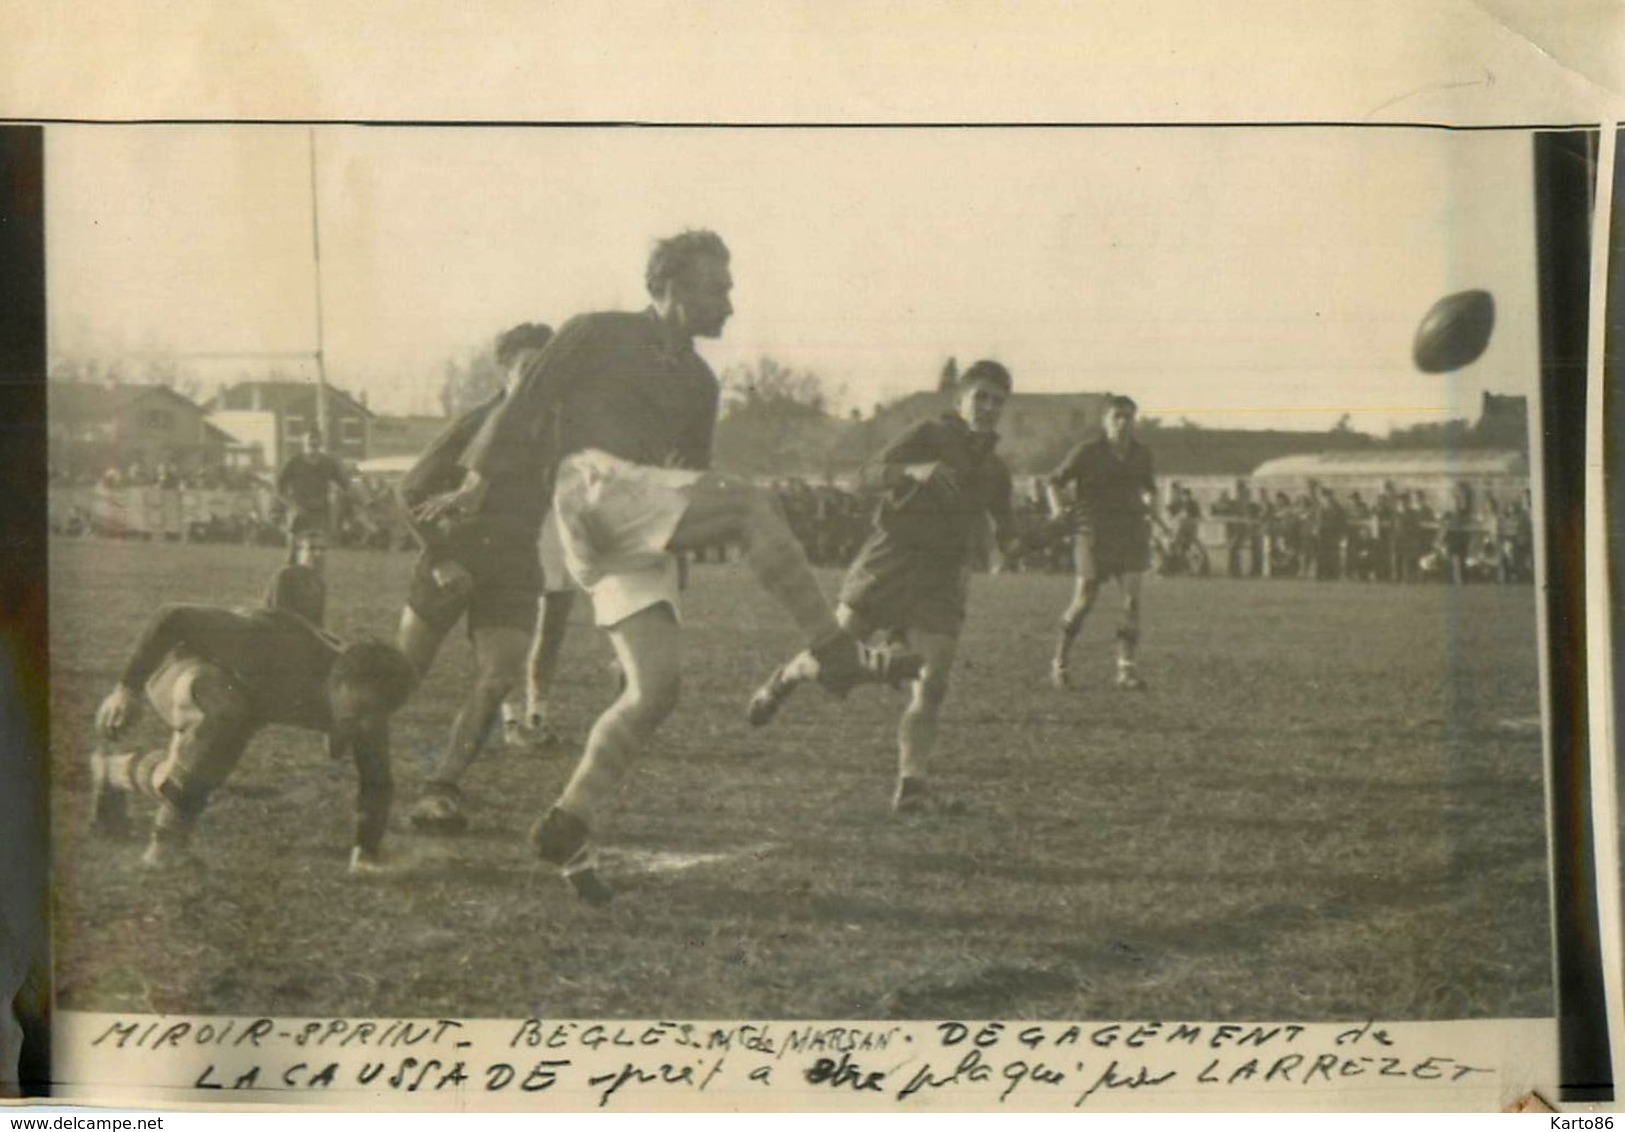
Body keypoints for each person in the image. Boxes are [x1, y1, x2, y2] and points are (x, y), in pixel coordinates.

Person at [419, 229, 919, 902]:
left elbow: (684, 477)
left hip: (631, 520)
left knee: (656, 689)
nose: (731, 303)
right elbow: (524, 403)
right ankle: (832, 649)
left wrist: (676, 550)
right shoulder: (596, 331)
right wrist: (477, 482)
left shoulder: (701, 382)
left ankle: (571, 819)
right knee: (750, 505)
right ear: (669, 286)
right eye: (719, 287)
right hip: (589, 488)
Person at [745, 361, 1016, 814]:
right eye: (981, 397)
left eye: (997, 402)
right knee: (835, 661)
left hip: (942, 577)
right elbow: (864, 477)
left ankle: (912, 784)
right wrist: (914, 471)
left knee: (933, 682)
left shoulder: (996, 471)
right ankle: (785, 679)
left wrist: (1035, 535)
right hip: (890, 560)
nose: (988, 408)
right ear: (960, 400)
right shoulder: (930, 433)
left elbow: (1008, 530)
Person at [86, 592, 417, 872]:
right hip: (182, 662)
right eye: (359, 710)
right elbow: (173, 617)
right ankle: (166, 846)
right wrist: (126, 689)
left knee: (183, 779)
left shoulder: (367, 702)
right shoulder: (278, 646)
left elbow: (377, 782)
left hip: (237, 698)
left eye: (375, 716)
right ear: (337, 681)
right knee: (227, 711)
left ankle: (114, 771)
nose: (364, 724)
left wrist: (366, 851)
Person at [394, 322, 557, 833]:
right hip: (454, 558)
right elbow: (408, 489)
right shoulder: (477, 423)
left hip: (514, 565)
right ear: (505, 370)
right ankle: (347, 730)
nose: (535, 381)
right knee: (400, 679)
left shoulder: (559, 431)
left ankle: (441, 789)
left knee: (499, 677)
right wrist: (440, 558)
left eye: (545, 371)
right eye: (527, 369)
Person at [1046, 394, 1168, 691]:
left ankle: (1125, 669)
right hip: (1094, 533)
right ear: (1105, 421)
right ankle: (1059, 663)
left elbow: (1151, 490)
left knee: (1131, 600)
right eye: (1117, 417)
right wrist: (1058, 511)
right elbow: (1054, 481)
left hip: (1130, 533)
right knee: (1085, 600)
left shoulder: (1142, 455)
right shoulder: (1088, 452)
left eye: (1128, 417)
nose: (1123, 423)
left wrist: (1161, 520)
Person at [275, 428, 353, 570]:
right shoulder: (294, 462)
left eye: (316, 440)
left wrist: (343, 469)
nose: (313, 442)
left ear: (320, 442)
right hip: (299, 513)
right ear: (303, 442)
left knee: (318, 556)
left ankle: (314, 586)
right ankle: (288, 585)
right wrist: (291, 506)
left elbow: (346, 485)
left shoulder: (328, 463)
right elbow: (279, 488)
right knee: (292, 555)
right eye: (310, 439)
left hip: (320, 513)